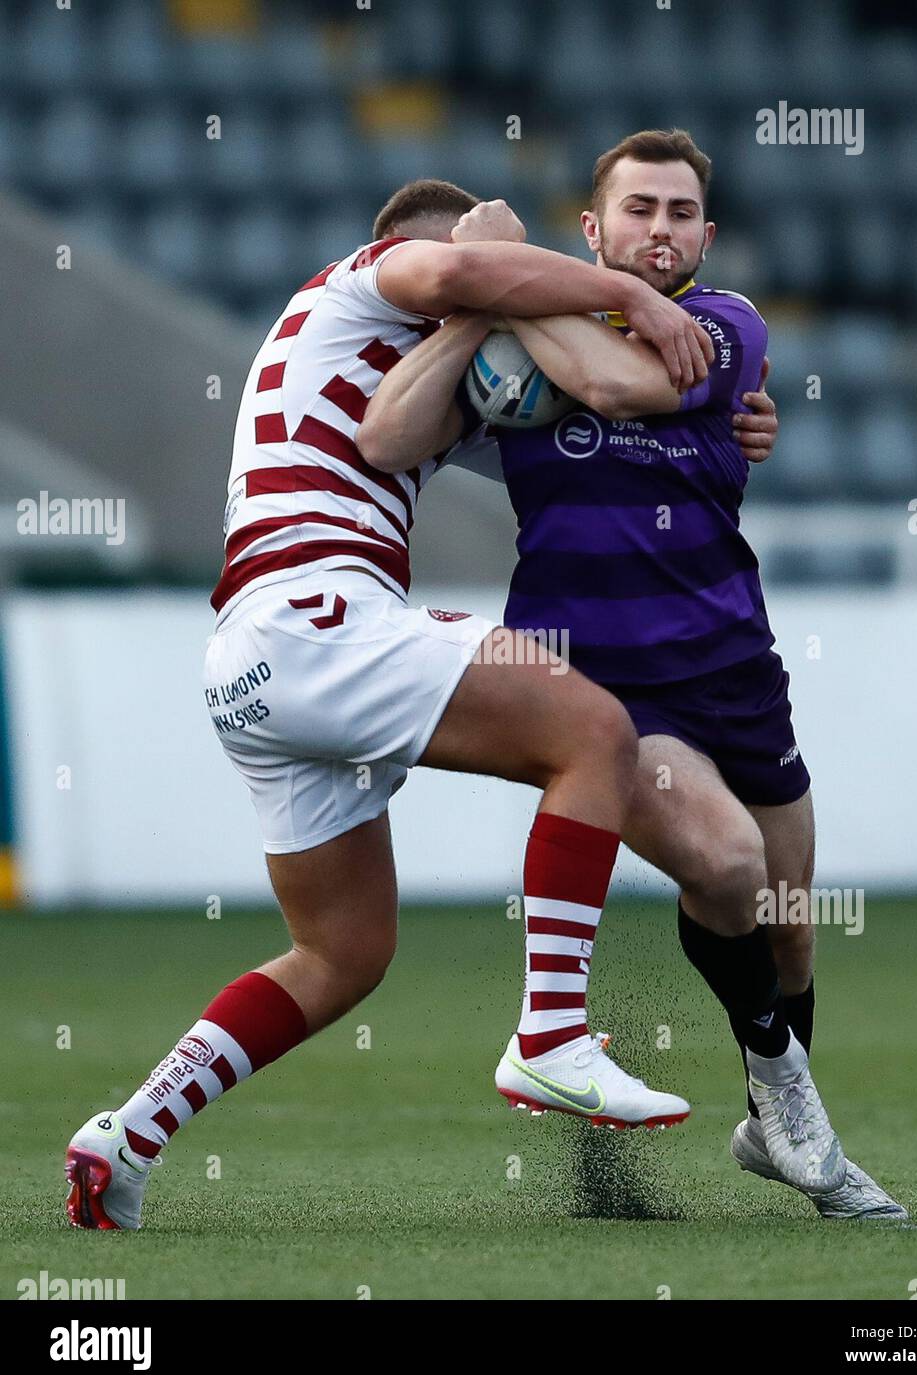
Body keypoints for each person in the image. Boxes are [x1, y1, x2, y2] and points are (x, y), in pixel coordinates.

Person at [64, 179, 725, 1231]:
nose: (467, 284)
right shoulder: (365, 282)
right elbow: (464, 273)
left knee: (342, 951)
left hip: (250, 656)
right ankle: (550, 1036)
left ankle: (126, 1136)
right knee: (593, 730)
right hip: (317, 618)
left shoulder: (404, 359)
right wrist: (628, 296)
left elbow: (551, 431)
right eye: (451, 263)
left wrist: (724, 430)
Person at [358, 133, 907, 1219]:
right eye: (638, 210)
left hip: (734, 664)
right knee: (728, 859)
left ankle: (769, 1113)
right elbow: (386, 437)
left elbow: (613, 388)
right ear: (594, 230)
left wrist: (512, 292)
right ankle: (795, 1113)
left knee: (788, 918)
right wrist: (482, 300)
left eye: (680, 212)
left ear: (704, 236)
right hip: (603, 688)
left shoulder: (725, 325)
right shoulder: (519, 356)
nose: (661, 229)